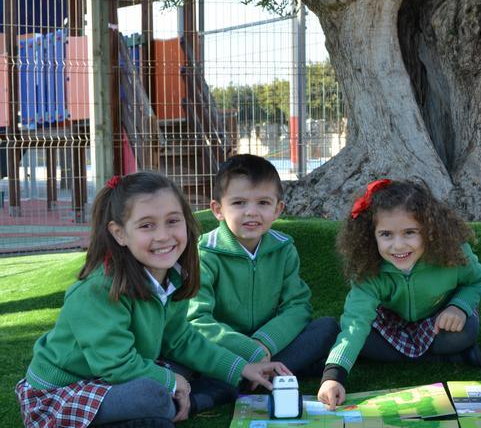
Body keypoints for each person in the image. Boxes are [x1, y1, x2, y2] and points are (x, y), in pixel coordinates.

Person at [14, 172, 289, 428]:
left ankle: (179, 402)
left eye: (173, 221)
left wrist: (243, 368)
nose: (163, 236)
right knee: (153, 395)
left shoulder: (173, 276)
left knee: (189, 369)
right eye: (147, 225)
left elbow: (180, 339)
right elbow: (116, 365)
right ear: (120, 233)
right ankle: (177, 405)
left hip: (120, 376)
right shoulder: (97, 290)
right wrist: (173, 382)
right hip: (65, 390)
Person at [317, 179, 481, 409]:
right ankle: (447, 357)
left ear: (429, 230)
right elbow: (355, 323)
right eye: (386, 234)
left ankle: (446, 350)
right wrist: (333, 376)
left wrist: (458, 307)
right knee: (361, 339)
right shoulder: (369, 269)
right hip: (392, 324)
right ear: (371, 236)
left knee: (465, 330)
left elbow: (478, 280)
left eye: (409, 232)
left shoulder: (452, 253)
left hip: (437, 321)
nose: (398, 245)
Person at [187, 154, 339, 406]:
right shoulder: (204, 254)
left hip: (271, 346)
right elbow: (197, 320)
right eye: (239, 203)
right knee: (191, 353)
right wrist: (251, 351)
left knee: (327, 328)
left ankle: (254, 378)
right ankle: (263, 374)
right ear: (218, 210)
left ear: (277, 209)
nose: (251, 212)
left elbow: (297, 306)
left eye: (263, 203)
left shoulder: (284, 248)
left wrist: (264, 343)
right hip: (225, 349)